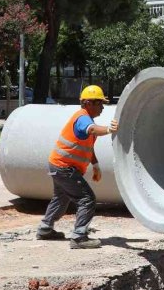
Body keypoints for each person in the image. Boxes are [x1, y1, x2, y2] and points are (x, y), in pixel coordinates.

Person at [37, 86, 119, 249]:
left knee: (61, 197)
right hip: (64, 167)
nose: (102, 107)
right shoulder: (83, 118)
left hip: (58, 165)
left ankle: (45, 229)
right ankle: (79, 237)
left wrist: (95, 165)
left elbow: (87, 146)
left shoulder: (85, 118)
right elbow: (92, 130)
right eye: (99, 103)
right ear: (88, 103)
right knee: (87, 199)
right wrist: (109, 129)